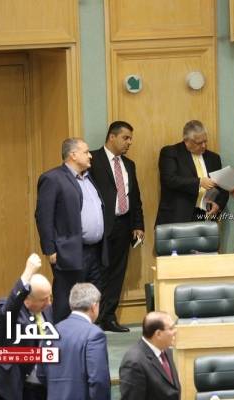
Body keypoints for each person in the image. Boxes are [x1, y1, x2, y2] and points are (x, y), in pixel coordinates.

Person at [35, 137, 107, 323]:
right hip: (70, 251)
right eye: (86, 152)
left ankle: (88, 334)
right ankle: (61, 336)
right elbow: (43, 216)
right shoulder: (53, 178)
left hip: (95, 251)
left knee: (92, 298)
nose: (90, 156)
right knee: (67, 300)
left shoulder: (88, 178)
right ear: (73, 155)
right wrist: (50, 249)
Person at [89, 121, 144, 332]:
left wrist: (138, 224)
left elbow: (135, 198)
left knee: (117, 273)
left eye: (131, 139)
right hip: (100, 226)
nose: (129, 142)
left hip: (124, 224)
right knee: (98, 273)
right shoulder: (93, 160)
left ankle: (109, 317)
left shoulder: (129, 164)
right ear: (112, 137)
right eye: (125, 138)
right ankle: (93, 317)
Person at [0, 253, 53, 400]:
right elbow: (8, 311)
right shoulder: (7, 309)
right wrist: (27, 274)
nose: (49, 303)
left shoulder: (48, 309)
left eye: (50, 297)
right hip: (17, 388)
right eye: (43, 300)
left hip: (44, 387)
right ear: (26, 299)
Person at [38, 283, 111, 400]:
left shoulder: (51, 332)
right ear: (94, 306)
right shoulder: (95, 335)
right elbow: (98, 380)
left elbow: (41, 374)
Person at [155, 120, 228, 226]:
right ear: (186, 141)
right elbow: (169, 180)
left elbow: (222, 186)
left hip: (205, 217)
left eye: (205, 141)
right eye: (199, 143)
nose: (204, 146)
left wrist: (218, 204)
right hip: (177, 217)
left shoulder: (214, 158)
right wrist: (199, 182)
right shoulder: (171, 152)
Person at [119, 311, 180, 400]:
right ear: (158, 334)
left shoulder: (165, 349)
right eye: (171, 328)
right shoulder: (133, 363)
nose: (175, 331)